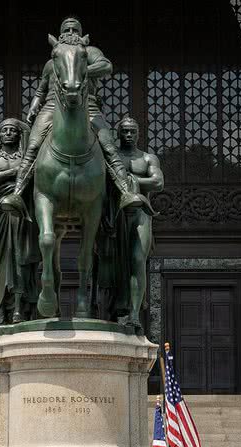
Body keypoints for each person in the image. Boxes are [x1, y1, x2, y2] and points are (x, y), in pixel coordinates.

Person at [0, 16, 144, 216]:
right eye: (66, 29)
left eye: (74, 29)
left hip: (88, 107)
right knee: (32, 146)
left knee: (109, 147)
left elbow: (106, 66)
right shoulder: (53, 61)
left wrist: (77, 71)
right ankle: (17, 194)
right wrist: (33, 106)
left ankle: (125, 193)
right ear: (60, 34)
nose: (70, 33)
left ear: (81, 33)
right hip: (51, 107)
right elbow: (41, 90)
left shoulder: (89, 52)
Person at [96, 115, 164, 329]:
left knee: (137, 259)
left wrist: (132, 180)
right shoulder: (110, 157)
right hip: (114, 216)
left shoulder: (148, 158)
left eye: (132, 131)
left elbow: (158, 182)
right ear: (118, 134)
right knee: (110, 264)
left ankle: (134, 314)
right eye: (124, 131)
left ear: (138, 133)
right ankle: (109, 312)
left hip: (140, 212)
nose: (128, 135)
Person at [0, 118, 40, 324]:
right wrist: (15, 171)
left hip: (20, 212)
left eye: (13, 130)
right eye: (5, 130)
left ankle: (20, 308)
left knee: (20, 258)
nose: (9, 133)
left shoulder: (27, 159)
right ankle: (1, 308)